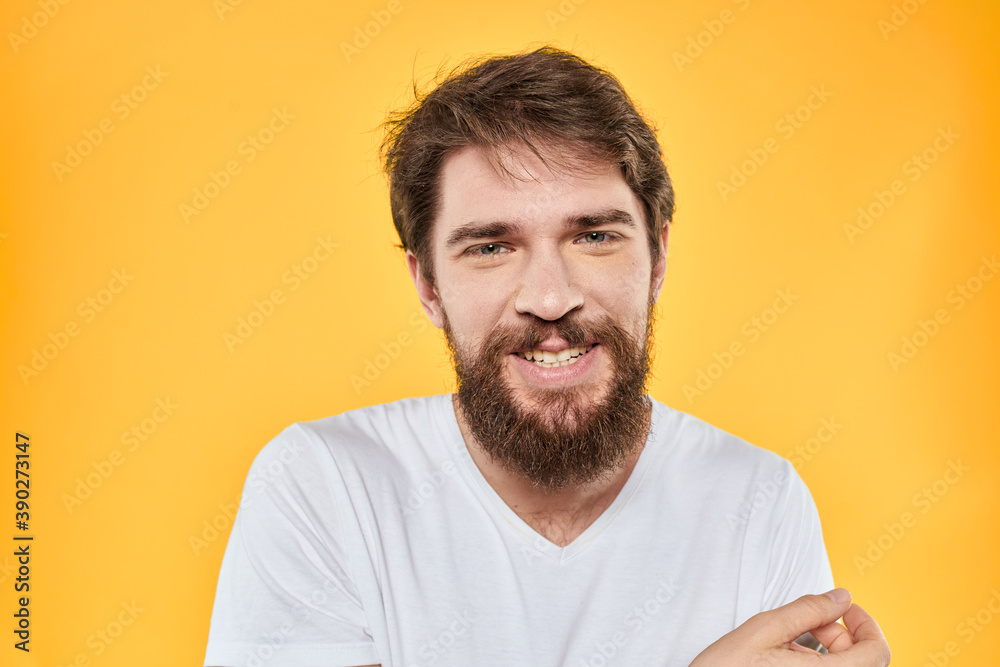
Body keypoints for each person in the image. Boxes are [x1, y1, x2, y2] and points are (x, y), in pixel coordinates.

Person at [203, 46, 890, 667]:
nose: (551, 298)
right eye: (491, 247)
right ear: (427, 285)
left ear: (657, 259)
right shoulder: (324, 486)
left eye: (594, 235)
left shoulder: (759, 500)